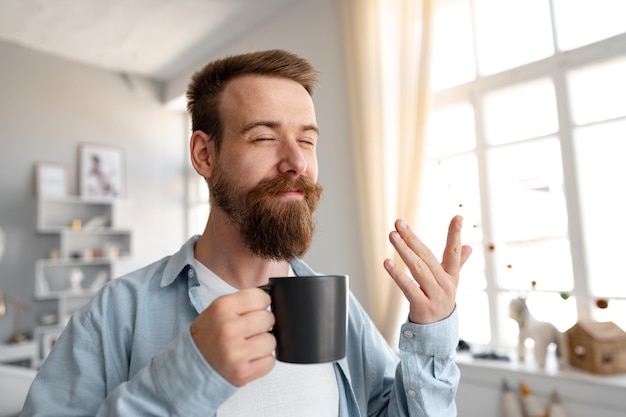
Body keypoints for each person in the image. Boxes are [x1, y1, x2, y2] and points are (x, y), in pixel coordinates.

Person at [21, 49, 471, 417]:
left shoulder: (339, 311)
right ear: (204, 154)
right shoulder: (114, 316)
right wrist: (186, 376)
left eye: (308, 140)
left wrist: (430, 337)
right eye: (263, 137)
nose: (296, 161)